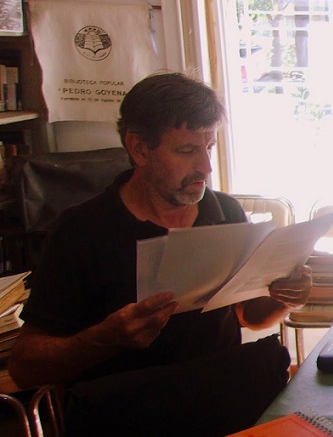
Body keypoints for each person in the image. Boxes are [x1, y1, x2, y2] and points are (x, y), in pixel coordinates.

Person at [8, 72, 311, 436]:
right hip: (129, 417)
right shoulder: (81, 232)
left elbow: (249, 317)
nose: (206, 167)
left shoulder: (225, 213)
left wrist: (284, 297)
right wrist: (104, 339)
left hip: (220, 405)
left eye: (208, 147)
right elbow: (26, 367)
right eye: (187, 150)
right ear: (139, 149)